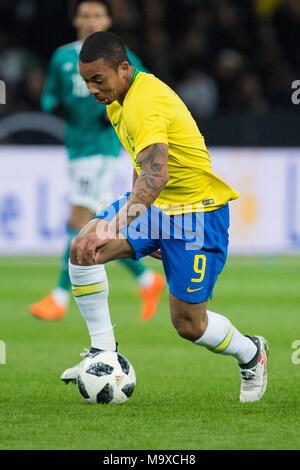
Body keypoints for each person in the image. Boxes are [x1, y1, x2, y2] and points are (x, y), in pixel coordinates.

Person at [61, 31, 269, 403]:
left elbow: (158, 175)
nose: (92, 88)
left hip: (196, 216)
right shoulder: (116, 99)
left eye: (98, 79)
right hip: (158, 209)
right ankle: (101, 353)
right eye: (86, 81)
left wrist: (116, 224)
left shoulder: (144, 103)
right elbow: (144, 170)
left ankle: (251, 354)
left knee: (189, 324)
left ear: (124, 69)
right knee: (83, 248)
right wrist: (141, 224)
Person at [29, 0, 165, 322]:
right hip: (76, 148)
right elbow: (48, 95)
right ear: (75, 18)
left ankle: (59, 298)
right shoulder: (63, 57)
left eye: (98, 15)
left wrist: (121, 110)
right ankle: (148, 280)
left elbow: (145, 87)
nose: (91, 21)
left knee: (79, 219)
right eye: (86, 15)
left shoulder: (122, 57)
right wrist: (56, 106)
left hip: (103, 148)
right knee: (92, 222)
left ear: (108, 19)